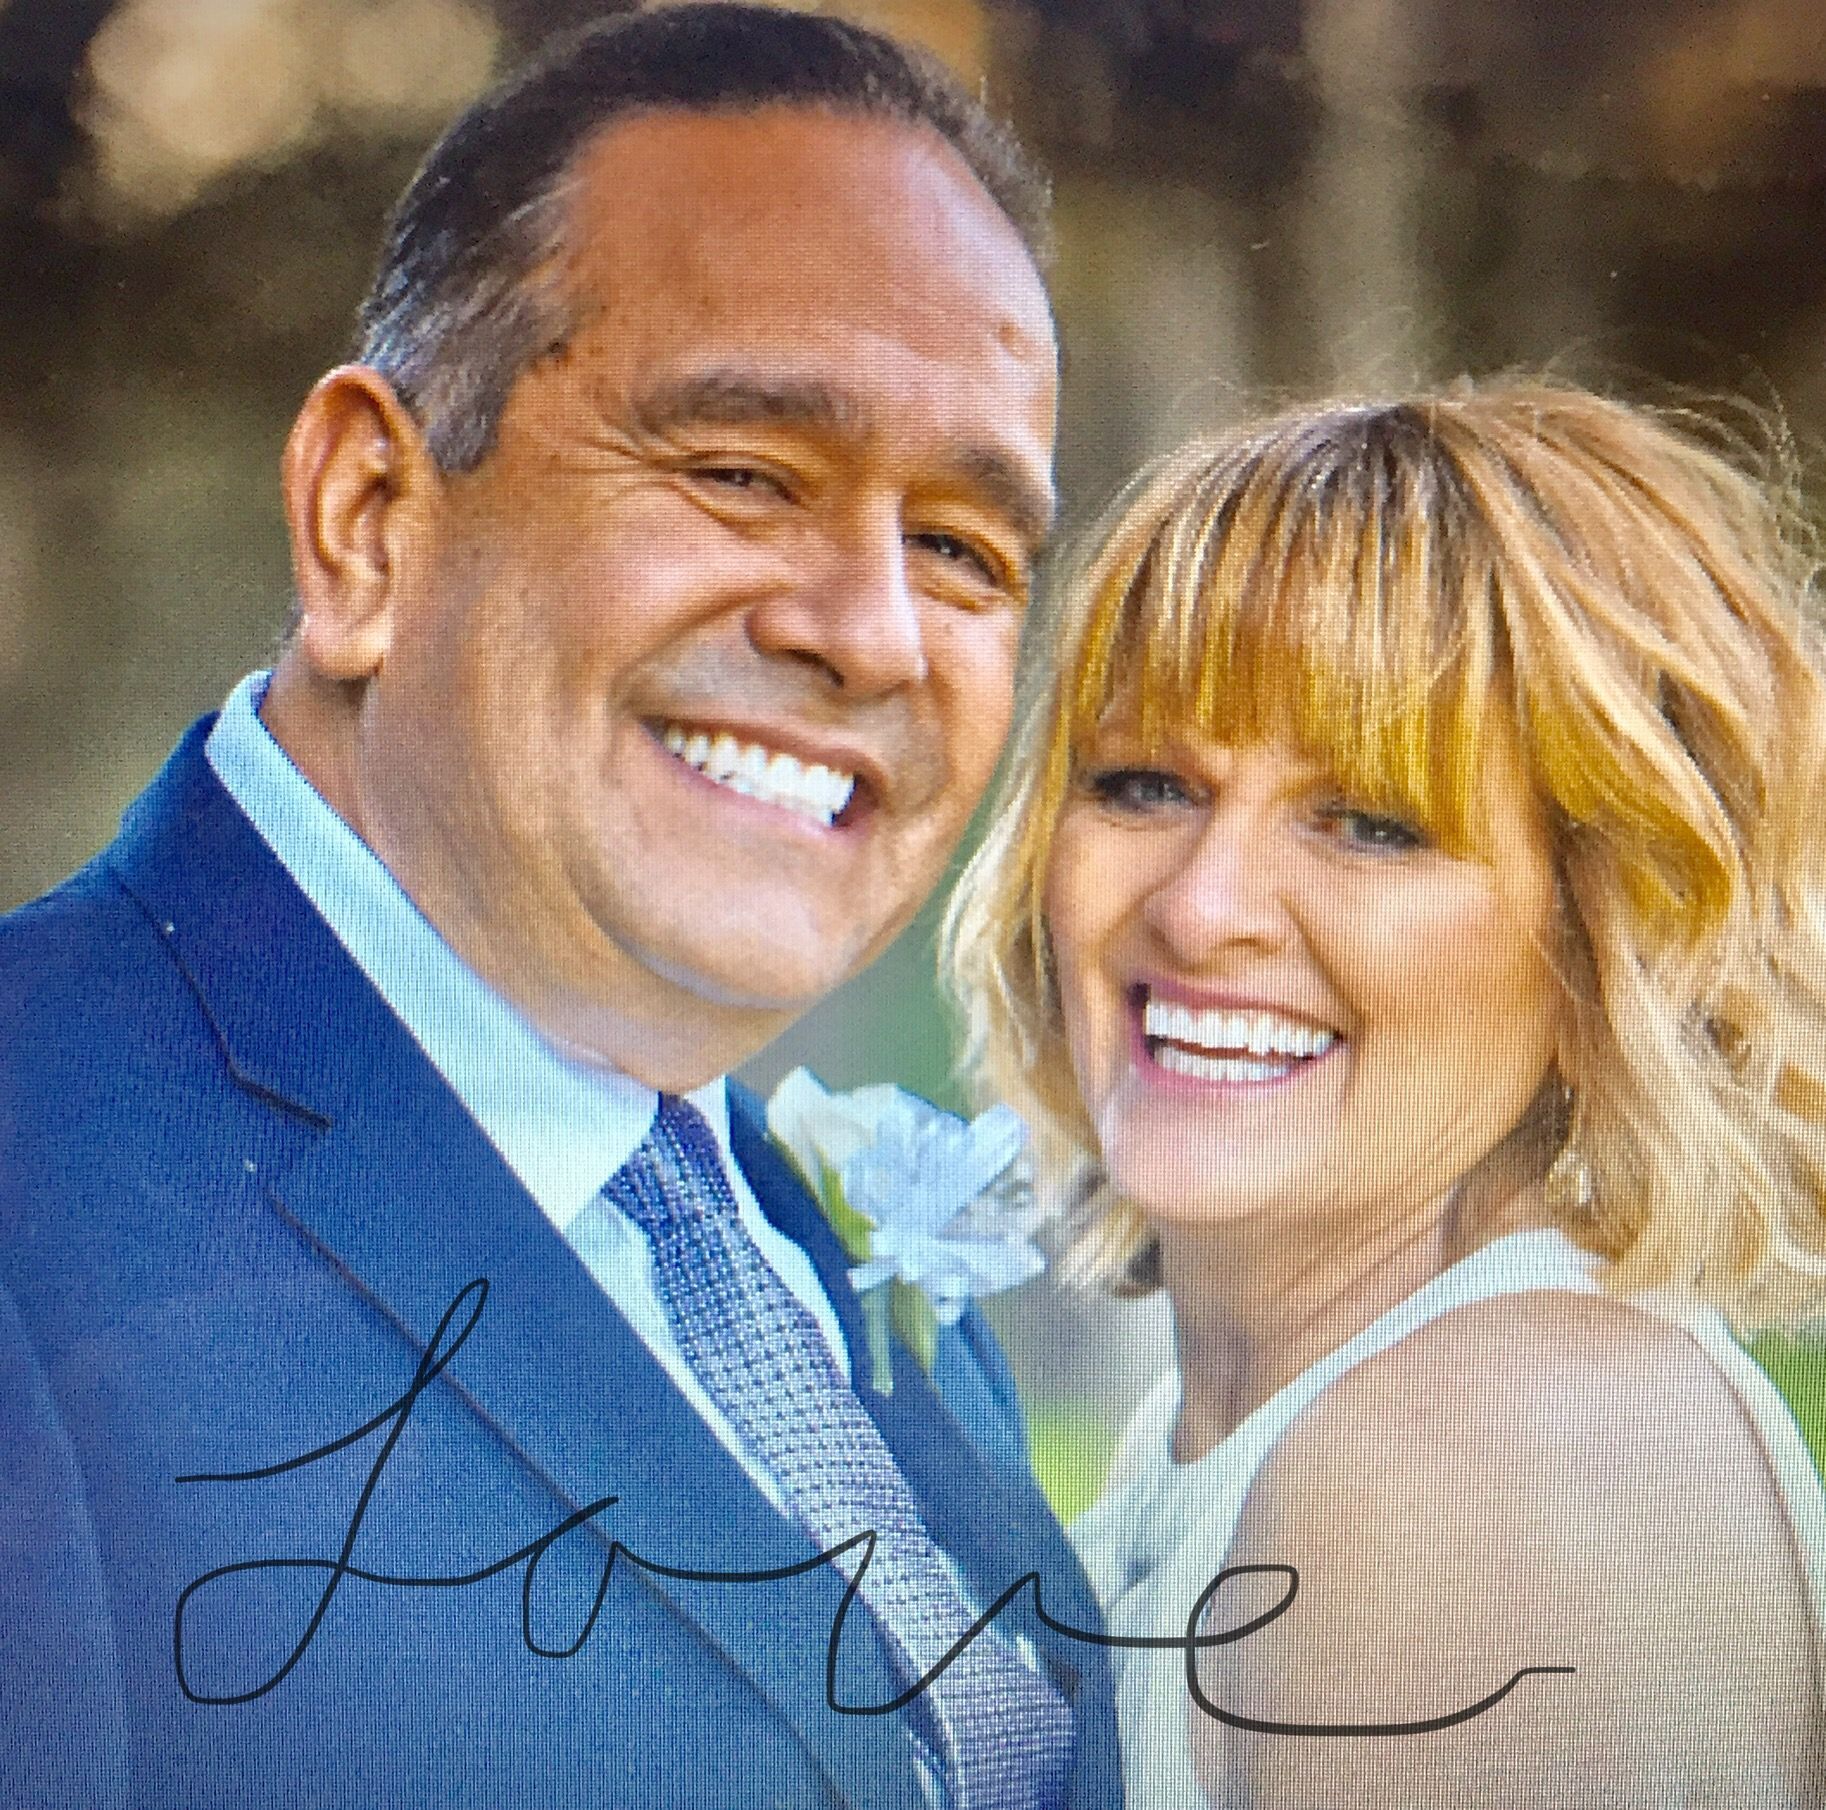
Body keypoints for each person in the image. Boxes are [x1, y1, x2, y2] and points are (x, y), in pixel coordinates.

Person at [0, 8, 1122, 1807]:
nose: (873, 631)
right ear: (369, 517)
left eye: (961, 550)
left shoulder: (811, 1234)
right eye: (743, 472)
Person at [944, 378, 1826, 1806]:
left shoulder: (1483, 1452)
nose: (1204, 905)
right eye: (1143, 785)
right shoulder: (1249, 1412)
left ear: (1603, 934)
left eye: (1368, 822)